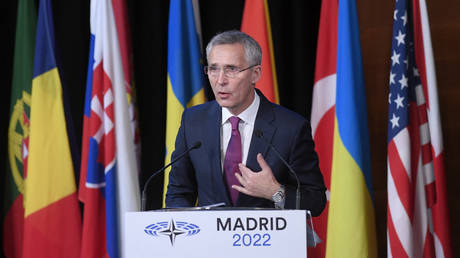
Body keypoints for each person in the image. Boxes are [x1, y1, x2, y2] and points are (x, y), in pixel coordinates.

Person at [165, 30, 326, 216]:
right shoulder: (193, 121)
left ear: (255, 74)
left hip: (268, 242)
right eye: (213, 69)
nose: (220, 80)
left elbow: (315, 201)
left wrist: (275, 192)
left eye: (231, 69)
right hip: (210, 243)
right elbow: (178, 193)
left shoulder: (290, 128)